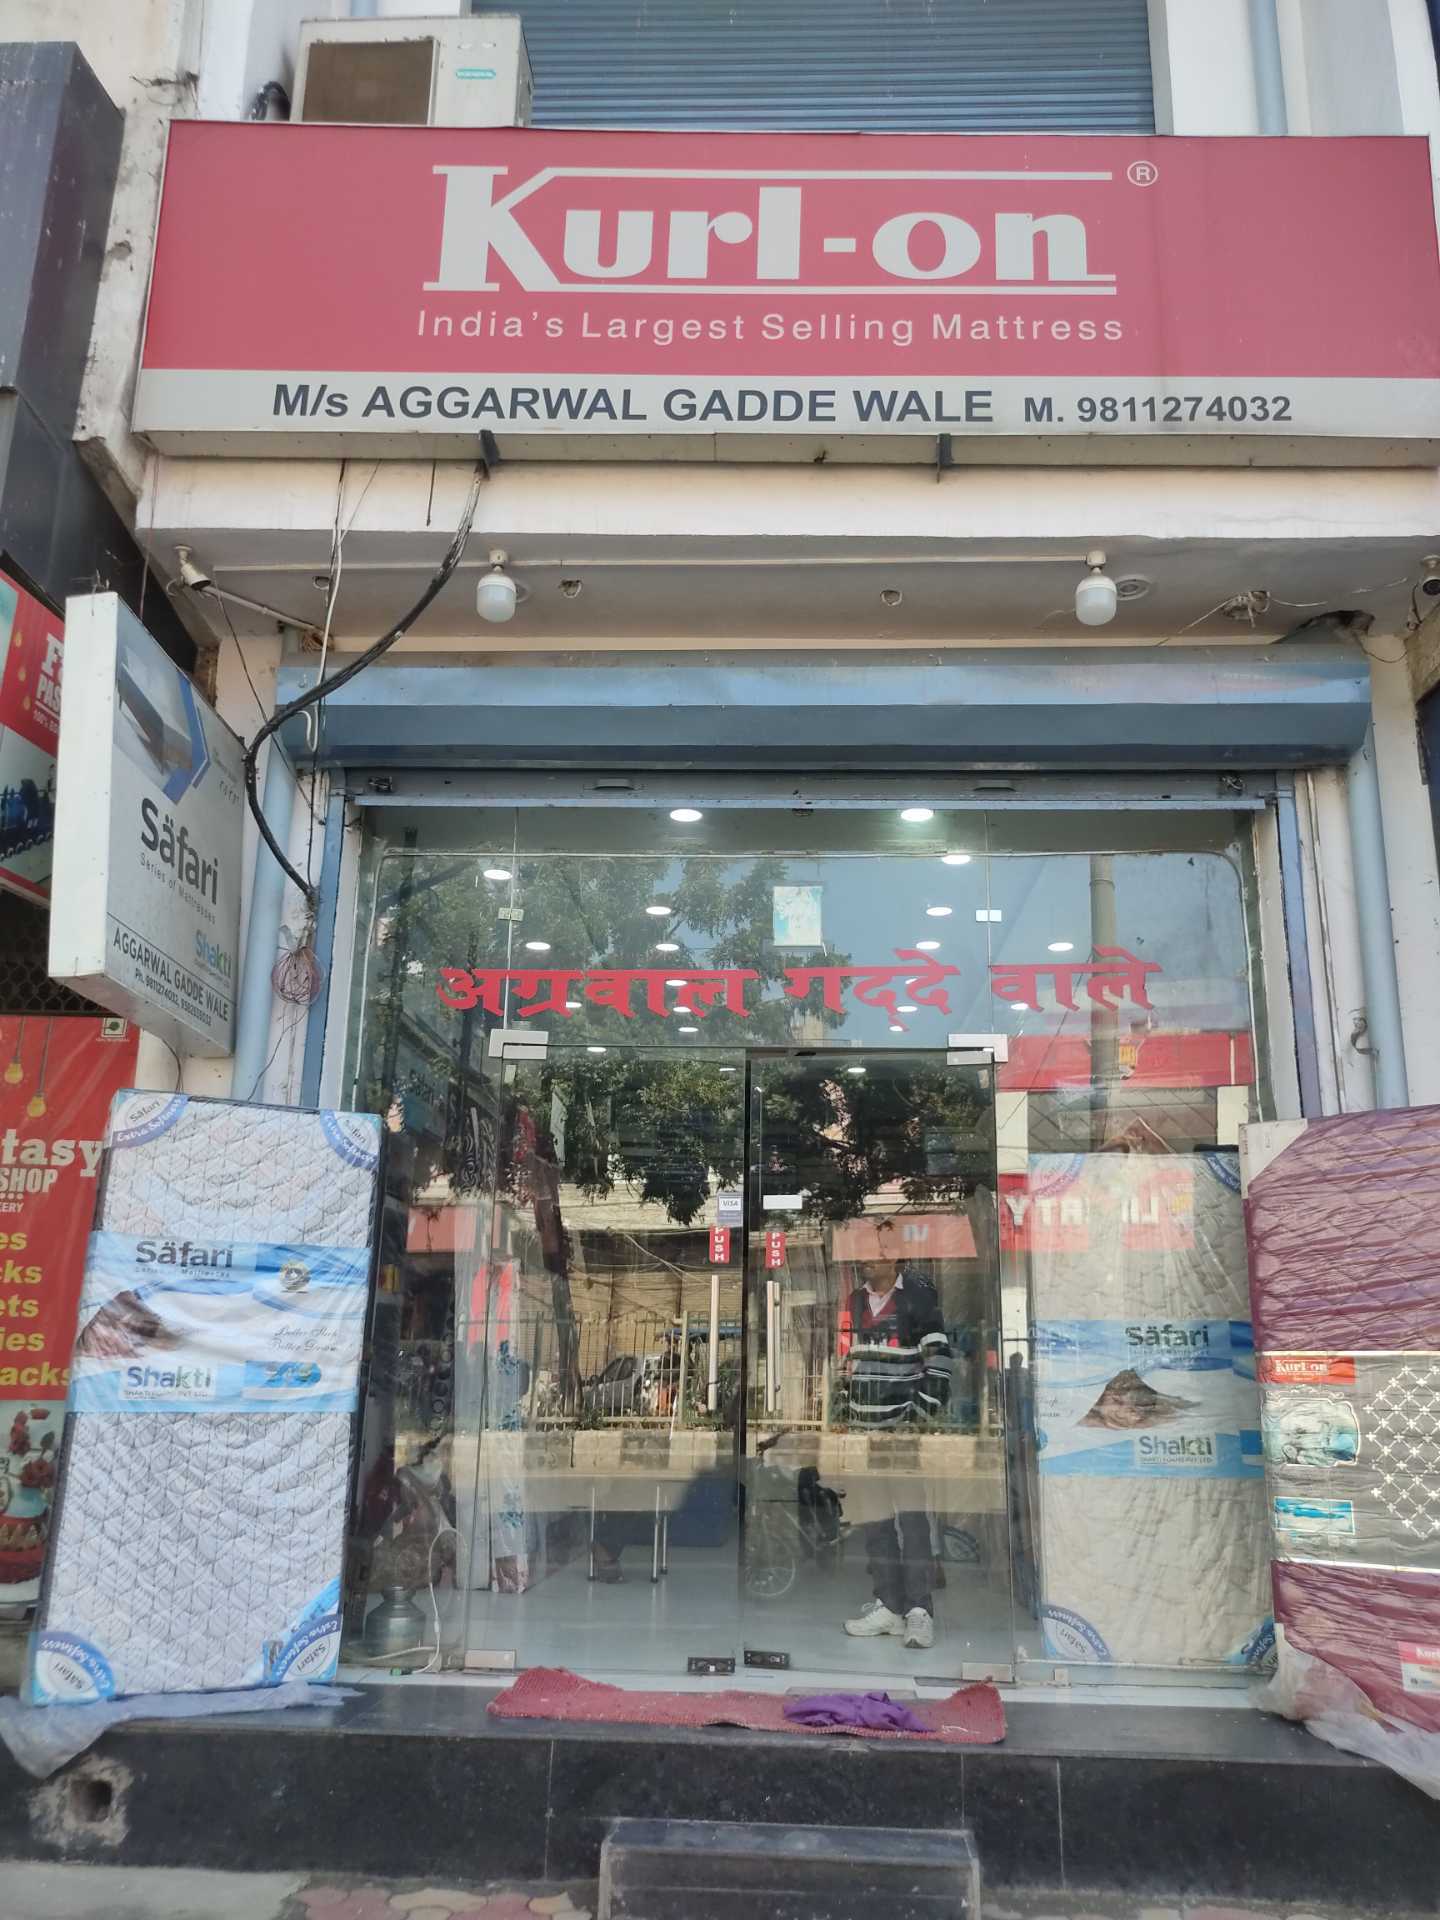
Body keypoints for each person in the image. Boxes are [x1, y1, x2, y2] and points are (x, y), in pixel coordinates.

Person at [838, 1259, 951, 1651]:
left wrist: (914, 1421)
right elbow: (845, 1361)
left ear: (893, 1257)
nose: (865, 1260)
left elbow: (939, 1365)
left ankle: (919, 1610)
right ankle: (889, 1605)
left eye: (874, 1252)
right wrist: (844, 1415)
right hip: (863, 1434)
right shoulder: (854, 1301)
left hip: (902, 1436)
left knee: (912, 1522)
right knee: (876, 1523)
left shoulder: (918, 1299)